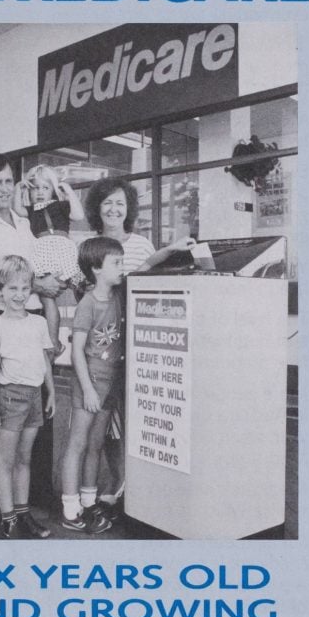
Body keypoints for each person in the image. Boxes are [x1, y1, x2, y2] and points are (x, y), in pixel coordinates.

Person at [0, 152, 67, 533]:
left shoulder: (22, 222)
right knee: (3, 421)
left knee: (37, 415)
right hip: (7, 321)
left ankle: (27, 502)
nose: (4, 188)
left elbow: (44, 254)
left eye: (8, 180)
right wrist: (37, 285)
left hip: (37, 321)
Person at [83, 176, 199, 516]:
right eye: (107, 203)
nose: (114, 209)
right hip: (102, 344)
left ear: (129, 209)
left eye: (120, 203)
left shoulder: (141, 244)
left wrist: (169, 252)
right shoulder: (90, 245)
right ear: (97, 209)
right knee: (105, 418)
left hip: (137, 341)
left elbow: (151, 280)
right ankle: (118, 478)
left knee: (136, 411)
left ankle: (136, 482)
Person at [0, 256, 55, 539]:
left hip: (35, 396)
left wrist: (51, 395)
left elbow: (45, 361)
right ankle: (8, 521)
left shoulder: (37, 323)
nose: (20, 294)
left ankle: (23, 516)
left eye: (25, 288)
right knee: (7, 461)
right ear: (1, 289)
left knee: (25, 459)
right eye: (13, 288)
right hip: (9, 398)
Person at [60, 236, 126, 534]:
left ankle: (88, 502)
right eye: (117, 263)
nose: (122, 268)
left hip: (109, 383)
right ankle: (70, 509)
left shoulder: (117, 296)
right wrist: (87, 389)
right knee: (78, 443)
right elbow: (76, 351)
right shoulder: (87, 304)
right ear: (96, 268)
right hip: (90, 383)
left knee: (96, 445)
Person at [13, 164, 84, 356]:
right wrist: (19, 188)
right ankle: (54, 342)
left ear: (52, 189)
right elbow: (17, 209)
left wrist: (67, 190)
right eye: (35, 188)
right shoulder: (31, 210)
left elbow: (78, 214)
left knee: (80, 286)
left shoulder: (60, 205)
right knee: (48, 298)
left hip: (63, 250)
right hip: (44, 254)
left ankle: (86, 329)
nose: (40, 192)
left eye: (45, 188)